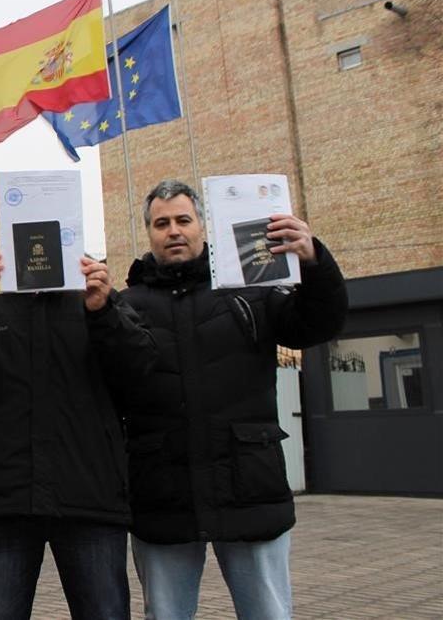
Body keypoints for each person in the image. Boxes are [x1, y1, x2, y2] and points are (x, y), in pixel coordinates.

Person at [119, 179, 347, 620]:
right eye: (161, 223)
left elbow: (316, 324)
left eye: (184, 220)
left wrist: (314, 262)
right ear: (148, 232)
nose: (174, 231)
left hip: (249, 489)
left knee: (267, 612)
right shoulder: (128, 305)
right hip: (162, 494)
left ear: (203, 225)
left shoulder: (251, 288)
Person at [0, 248, 156, 620]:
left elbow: (141, 370)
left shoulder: (95, 293)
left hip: (90, 499)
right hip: (5, 501)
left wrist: (103, 313)